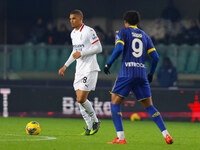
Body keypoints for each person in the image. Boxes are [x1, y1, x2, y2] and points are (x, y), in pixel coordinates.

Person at [104, 10, 174, 144]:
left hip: (127, 72)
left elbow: (118, 49)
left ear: (125, 21)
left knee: (114, 101)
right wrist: (151, 73)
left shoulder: (122, 32)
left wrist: (109, 64)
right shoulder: (145, 36)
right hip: (142, 73)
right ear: (137, 22)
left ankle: (121, 137)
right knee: (149, 106)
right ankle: (167, 135)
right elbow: (155, 57)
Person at [58, 9, 102, 135]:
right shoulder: (73, 34)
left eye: (74, 18)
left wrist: (82, 53)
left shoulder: (89, 31)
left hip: (90, 68)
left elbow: (99, 48)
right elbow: (74, 52)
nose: (71, 21)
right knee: (79, 100)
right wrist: (65, 66)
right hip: (79, 70)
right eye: (70, 19)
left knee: (81, 99)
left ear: (80, 19)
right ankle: (89, 127)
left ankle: (95, 121)